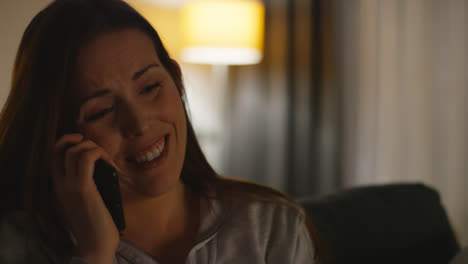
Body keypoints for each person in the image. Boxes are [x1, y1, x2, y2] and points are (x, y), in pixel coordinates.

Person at [0, 0, 325, 263]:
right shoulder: (18, 246)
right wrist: (95, 254)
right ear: (60, 133)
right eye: (101, 111)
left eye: (151, 86)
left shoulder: (272, 228)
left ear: (176, 80)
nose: (139, 123)